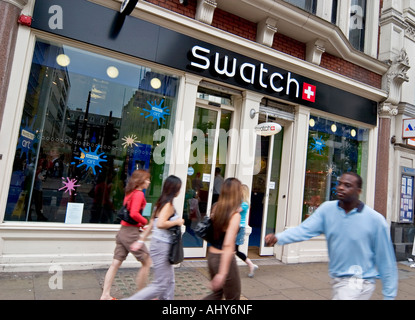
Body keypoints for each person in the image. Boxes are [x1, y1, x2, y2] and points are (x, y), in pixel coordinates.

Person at [265, 172, 398, 300]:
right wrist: (279, 238)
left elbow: (386, 259)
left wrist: (389, 295)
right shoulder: (327, 210)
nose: (340, 187)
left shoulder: (375, 220)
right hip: (338, 279)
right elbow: (303, 230)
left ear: (359, 191)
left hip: (358, 281)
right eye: (339, 183)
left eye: (347, 185)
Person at [126, 175, 184, 300]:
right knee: (161, 284)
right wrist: (177, 222)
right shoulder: (168, 206)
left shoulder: (160, 203)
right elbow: (160, 224)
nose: (180, 191)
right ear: (174, 189)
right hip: (162, 246)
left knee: (169, 281)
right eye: (179, 188)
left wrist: (141, 240)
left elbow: (152, 224)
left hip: (159, 244)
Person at [100, 169, 152, 300]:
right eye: (147, 179)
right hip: (130, 234)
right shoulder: (139, 194)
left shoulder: (130, 193)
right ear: (140, 181)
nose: (149, 182)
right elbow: (134, 213)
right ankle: (142, 295)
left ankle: (105, 295)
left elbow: (128, 215)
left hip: (123, 231)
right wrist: (144, 221)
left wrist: (139, 225)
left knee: (115, 264)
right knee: (147, 261)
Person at [203, 177, 242, 300]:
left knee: (217, 295)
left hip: (212, 257)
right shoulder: (235, 216)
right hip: (224, 258)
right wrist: (222, 273)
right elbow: (227, 244)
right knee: (234, 297)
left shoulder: (216, 208)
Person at [236, 184, 258, 278]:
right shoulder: (240, 202)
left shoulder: (244, 204)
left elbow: (235, 210)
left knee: (234, 250)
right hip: (235, 227)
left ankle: (250, 265)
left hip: (239, 228)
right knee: (233, 249)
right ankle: (251, 265)